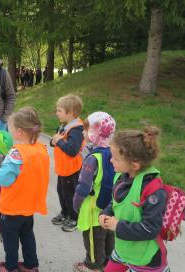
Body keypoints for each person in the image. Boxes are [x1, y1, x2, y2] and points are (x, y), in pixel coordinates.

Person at [100, 127, 168, 272]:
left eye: (116, 158)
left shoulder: (153, 191)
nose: (111, 160)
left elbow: (150, 229)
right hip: (122, 252)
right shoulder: (121, 177)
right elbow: (116, 203)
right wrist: (105, 213)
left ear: (134, 165)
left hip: (145, 260)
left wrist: (118, 226)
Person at [0, 107, 50, 272]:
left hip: (13, 207)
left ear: (19, 132)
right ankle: (31, 265)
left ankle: (11, 267)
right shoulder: (42, 149)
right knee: (27, 235)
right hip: (29, 206)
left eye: (10, 128)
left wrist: (2, 166)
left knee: (10, 240)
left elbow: (2, 179)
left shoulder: (16, 153)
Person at [72, 112, 116, 272]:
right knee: (109, 237)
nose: (83, 133)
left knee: (93, 239)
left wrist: (76, 204)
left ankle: (92, 266)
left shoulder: (92, 159)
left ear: (95, 133)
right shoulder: (114, 152)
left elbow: (84, 186)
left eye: (86, 129)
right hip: (110, 207)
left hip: (93, 209)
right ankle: (108, 263)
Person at [50, 94, 84, 232]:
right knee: (61, 191)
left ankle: (75, 217)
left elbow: (72, 150)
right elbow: (59, 141)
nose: (56, 113)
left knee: (70, 194)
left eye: (59, 111)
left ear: (70, 113)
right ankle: (65, 213)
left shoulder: (76, 130)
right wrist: (54, 142)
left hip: (72, 169)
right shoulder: (65, 125)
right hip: (63, 168)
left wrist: (58, 141)